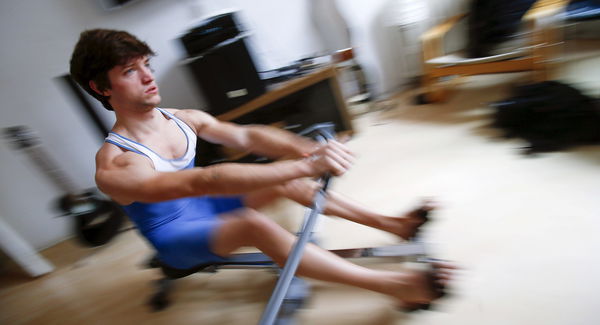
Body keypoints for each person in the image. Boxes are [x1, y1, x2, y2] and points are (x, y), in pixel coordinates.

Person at [69, 29, 452, 309]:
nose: (149, 76)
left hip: (208, 205)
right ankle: (394, 286)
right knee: (256, 222)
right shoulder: (115, 165)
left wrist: (308, 152)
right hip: (177, 236)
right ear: (102, 87)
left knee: (287, 175)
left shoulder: (182, 118)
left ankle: (394, 225)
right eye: (129, 71)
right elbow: (206, 179)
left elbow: (248, 136)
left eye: (146, 65)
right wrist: (303, 166)